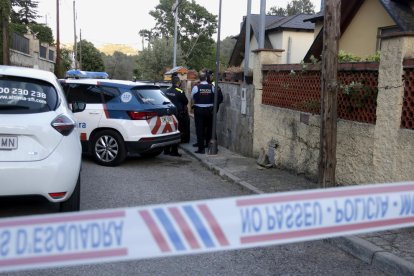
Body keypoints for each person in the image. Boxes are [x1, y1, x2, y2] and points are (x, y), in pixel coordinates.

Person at [163, 76, 189, 157]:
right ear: (178, 82)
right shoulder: (179, 91)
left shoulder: (167, 90)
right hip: (177, 114)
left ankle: (166, 150)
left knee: (168, 132)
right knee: (176, 132)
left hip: (168, 114)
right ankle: (174, 151)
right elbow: (186, 101)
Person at [192, 72, 215, 154]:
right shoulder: (212, 86)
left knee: (199, 129)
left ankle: (201, 149)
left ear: (199, 78)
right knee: (209, 128)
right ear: (206, 78)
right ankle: (209, 147)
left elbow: (193, 97)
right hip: (209, 110)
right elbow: (215, 96)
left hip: (199, 110)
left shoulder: (196, 87)